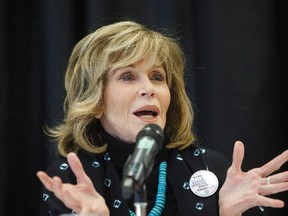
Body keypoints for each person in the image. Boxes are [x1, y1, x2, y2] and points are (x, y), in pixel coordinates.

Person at [37, 20, 288, 216]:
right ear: (95, 101)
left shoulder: (211, 168)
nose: (150, 88)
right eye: (128, 76)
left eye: (157, 77)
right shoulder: (70, 180)